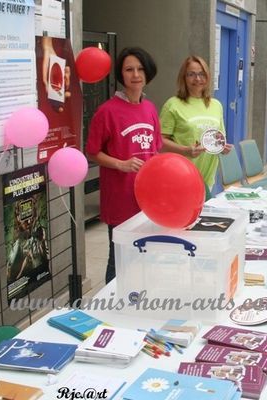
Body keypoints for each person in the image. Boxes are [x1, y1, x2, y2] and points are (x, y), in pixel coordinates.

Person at [86, 47, 163, 283]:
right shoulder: (107, 111)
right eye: (129, 69)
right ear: (121, 75)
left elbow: (155, 149)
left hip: (147, 199)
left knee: (145, 255)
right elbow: (92, 152)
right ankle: (111, 308)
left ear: (148, 73)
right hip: (120, 198)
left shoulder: (149, 108)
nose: (136, 75)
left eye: (140, 69)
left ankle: (139, 300)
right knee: (119, 258)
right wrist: (120, 164)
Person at [160, 56, 232, 190]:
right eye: (191, 74)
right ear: (184, 78)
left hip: (207, 179)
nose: (197, 79)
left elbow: (218, 137)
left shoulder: (216, 105)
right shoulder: (173, 104)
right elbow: (159, 141)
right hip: (180, 176)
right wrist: (185, 150)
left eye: (201, 74)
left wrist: (222, 148)